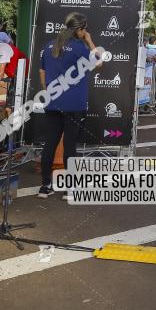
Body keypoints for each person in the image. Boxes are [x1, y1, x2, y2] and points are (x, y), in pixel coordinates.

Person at [37, 13, 101, 199]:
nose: (86, 33)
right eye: (85, 30)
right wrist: (90, 41)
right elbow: (100, 63)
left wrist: (49, 91)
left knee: (50, 143)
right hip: (74, 104)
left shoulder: (49, 45)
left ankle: (45, 187)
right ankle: (70, 189)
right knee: (70, 145)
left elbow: (42, 72)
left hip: (53, 101)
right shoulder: (80, 47)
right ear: (80, 30)